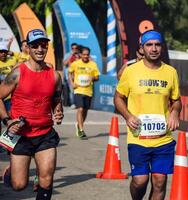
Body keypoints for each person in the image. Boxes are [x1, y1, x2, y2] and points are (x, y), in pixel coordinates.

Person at [114, 30, 182, 200]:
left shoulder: (171, 72)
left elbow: (177, 100)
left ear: (161, 47)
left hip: (163, 138)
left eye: (157, 44)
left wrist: (175, 111)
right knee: (140, 181)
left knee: (160, 180)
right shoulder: (131, 71)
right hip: (139, 137)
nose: (153, 48)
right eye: (149, 45)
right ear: (142, 48)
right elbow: (118, 98)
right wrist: (128, 116)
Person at [0, 28, 63, 200]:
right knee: (19, 185)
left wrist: (58, 111)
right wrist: (7, 121)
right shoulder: (18, 72)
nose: (40, 49)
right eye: (35, 45)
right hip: (21, 135)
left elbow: (57, 98)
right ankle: (11, 171)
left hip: (45, 133)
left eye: (43, 45)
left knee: (46, 179)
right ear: (27, 47)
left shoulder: (55, 76)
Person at [69, 46, 100, 139]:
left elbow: (97, 77)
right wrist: (72, 83)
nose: (85, 56)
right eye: (84, 54)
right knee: (80, 109)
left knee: (85, 111)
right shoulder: (75, 64)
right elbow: (70, 72)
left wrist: (93, 78)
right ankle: (81, 130)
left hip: (88, 91)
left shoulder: (93, 65)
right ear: (80, 55)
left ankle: (79, 125)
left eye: (87, 55)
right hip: (78, 90)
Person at [63, 43, 80, 108]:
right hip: (70, 75)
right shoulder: (68, 55)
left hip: (78, 75)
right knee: (72, 90)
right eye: (73, 48)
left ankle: (78, 103)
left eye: (75, 48)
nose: (74, 50)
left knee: (78, 90)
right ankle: (73, 103)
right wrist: (71, 55)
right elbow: (64, 63)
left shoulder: (79, 55)